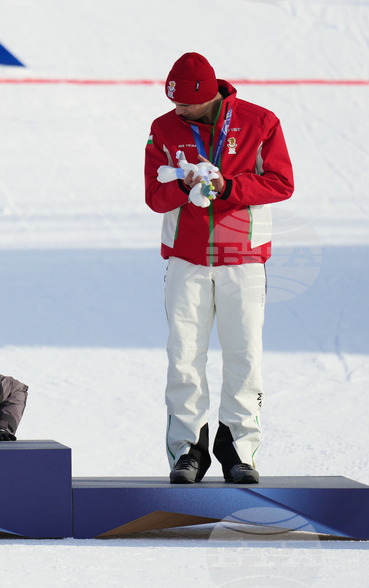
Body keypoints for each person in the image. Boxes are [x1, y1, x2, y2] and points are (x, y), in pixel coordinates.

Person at [144, 52, 294, 485]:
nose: (177, 110)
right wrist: (183, 185)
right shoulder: (163, 128)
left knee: (244, 357)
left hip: (243, 259)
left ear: (207, 95)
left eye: (185, 103)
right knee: (184, 357)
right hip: (186, 260)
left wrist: (228, 186)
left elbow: (282, 182)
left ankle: (238, 450)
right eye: (172, 101)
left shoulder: (259, 122)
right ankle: (188, 450)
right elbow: (155, 196)